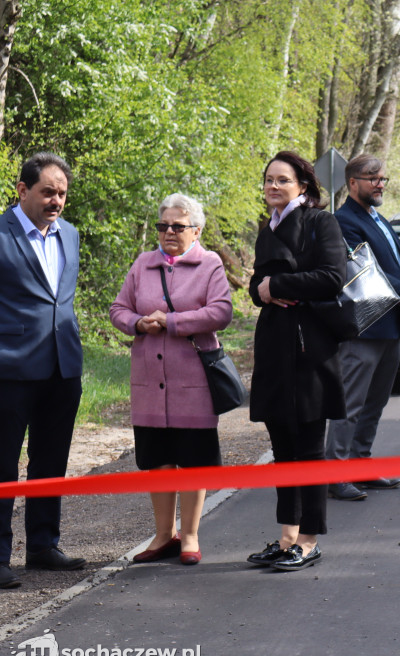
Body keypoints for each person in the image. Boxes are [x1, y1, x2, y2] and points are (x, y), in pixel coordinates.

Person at [109, 193, 233, 566]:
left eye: (178, 226)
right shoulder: (142, 265)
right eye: (163, 226)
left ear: (196, 230)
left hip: (192, 382)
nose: (168, 232)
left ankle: (190, 536)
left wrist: (173, 322)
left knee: (193, 460)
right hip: (149, 382)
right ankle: (164, 535)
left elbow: (221, 311)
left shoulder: (209, 264)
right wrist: (137, 323)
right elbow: (118, 308)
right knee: (158, 460)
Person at [245, 151, 346, 572]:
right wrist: (262, 290)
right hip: (273, 345)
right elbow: (255, 284)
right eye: (268, 179)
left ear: (303, 186)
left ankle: (309, 539)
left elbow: (333, 277)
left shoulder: (321, 222)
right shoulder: (266, 226)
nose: (273, 186)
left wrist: (277, 284)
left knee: (308, 449)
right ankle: (287, 536)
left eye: (282, 180)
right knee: (281, 449)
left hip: (309, 349)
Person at [0, 153, 85, 589]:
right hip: (9, 369)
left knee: (50, 461)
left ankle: (43, 546)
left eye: (62, 193)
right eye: (48, 191)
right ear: (22, 190)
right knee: (2, 464)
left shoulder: (69, 235)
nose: (56, 200)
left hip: (62, 366)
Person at [324, 154, 400, 501]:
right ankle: (335, 475)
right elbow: (368, 270)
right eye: (373, 178)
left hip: (391, 325)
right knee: (351, 403)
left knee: (375, 402)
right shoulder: (342, 221)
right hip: (362, 328)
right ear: (353, 183)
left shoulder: (378, 218)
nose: (380, 183)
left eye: (383, 178)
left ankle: (360, 465)